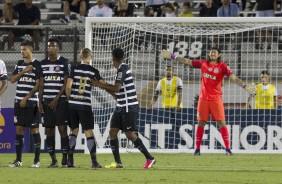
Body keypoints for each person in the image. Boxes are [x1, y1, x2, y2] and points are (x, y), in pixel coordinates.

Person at [161, 48, 255, 155]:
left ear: (219, 54)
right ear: (209, 54)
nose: (213, 53)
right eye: (211, 52)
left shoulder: (223, 66)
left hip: (216, 99)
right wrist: (173, 56)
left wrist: (244, 85)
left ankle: (228, 149)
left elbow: (233, 77)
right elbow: (187, 61)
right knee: (201, 122)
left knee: (221, 122)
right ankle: (197, 149)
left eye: (215, 52)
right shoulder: (203, 63)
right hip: (203, 99)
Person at [92, 48, 156, 169]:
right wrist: (103, 86)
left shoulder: (122, 69)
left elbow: (116, 88)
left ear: (113, 59)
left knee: (130, 135)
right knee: (112, 132)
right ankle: (118, 162)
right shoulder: (121, 69)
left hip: (128, 106)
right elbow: (116, 92)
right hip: (121, 106)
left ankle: (150, 158)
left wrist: (99, 84)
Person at [65, 48, 102, 168]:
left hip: (72, 105)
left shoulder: (74, 68)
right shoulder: (93, 71)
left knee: (73, 131)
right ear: (91, 57)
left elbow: (68, 86)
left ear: (80, 56)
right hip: (85, 105)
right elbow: (102, 83)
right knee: (88, 132)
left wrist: (70, 100)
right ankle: (94, 162)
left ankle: (70, 161)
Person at [9, 40, 41, 168]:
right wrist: (23, 71)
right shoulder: (19, 64)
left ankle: (36, 161)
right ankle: (18, 160)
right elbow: (12, 80)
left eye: (25, 49)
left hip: (31, 103)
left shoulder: (37, 64)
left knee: (34, 130)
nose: (22, 52)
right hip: (18, 101)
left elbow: (38, 85)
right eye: (21, 49)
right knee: (19, 129)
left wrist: (26, 98)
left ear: (31, 50)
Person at [38, 37, 70, 168]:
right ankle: (53, 160)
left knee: (62, 129)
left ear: (58, 48)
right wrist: (40, 101)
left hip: (60, 102)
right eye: (49, 46)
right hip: (46, 102)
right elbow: (41, 84)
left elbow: (66, 83)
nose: (51, 48)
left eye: (53, 46)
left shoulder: (64, 62)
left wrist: (56, 99)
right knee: (49, 131)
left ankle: (64, 158)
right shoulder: (42, 63)